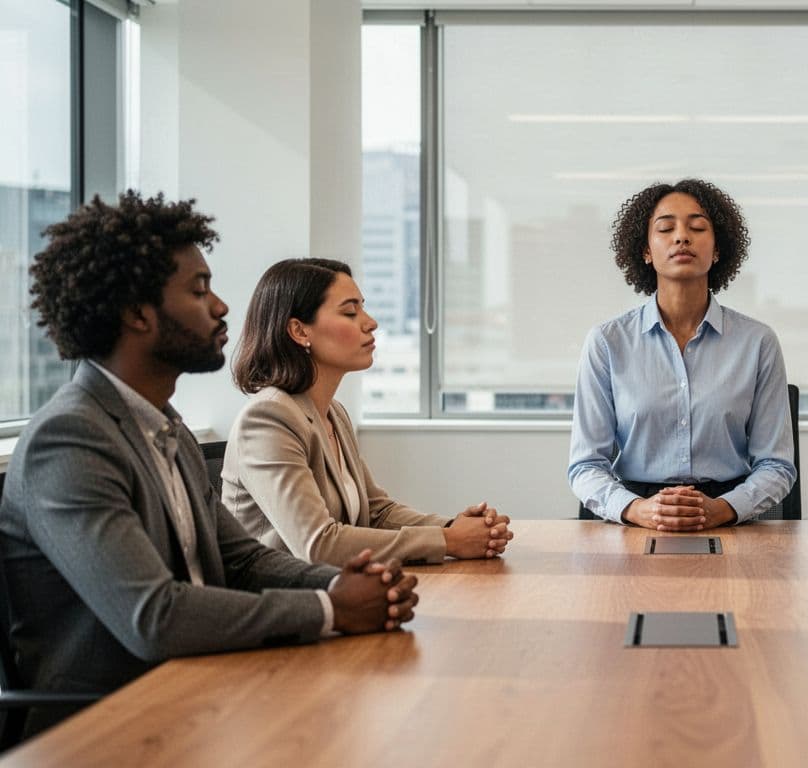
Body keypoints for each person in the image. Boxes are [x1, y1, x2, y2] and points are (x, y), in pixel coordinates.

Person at [0, 192, 417, 735]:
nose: (221, 307)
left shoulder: (162, 424)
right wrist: (331, 608)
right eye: (199, 290)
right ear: (136, 314)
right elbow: (156, 616)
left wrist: (353, 583)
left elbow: (242, 561)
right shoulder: (73, 437)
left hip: (203, 688)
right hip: (112, 724)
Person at [222, 258, 511, 565]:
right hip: (280, 603)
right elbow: (318, 544)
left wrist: (454, 528)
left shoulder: (333, 413)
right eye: (350, 311)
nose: (370, 322)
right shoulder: (268, 419)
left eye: (363, 307)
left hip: (334, 593)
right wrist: (449, 541)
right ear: (299, 330)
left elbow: (376, 512)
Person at [568, 179, 796, 531]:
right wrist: (638, 509)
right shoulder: (607, 342)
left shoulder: (757, 342)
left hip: (727, 517)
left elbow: (776, 466)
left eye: (698, 227)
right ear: (645, 250)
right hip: (635, 517)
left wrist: (721, 509)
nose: (681, 237)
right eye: (666, 228)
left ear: (717, 249)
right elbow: (585, 466)